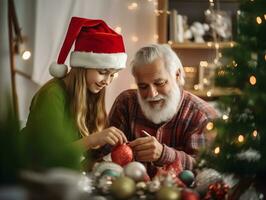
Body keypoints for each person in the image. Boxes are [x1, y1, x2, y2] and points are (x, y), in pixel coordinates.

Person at [22, 17, 128, 157]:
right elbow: (47, 156)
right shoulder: (52, 94)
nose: (107, 82)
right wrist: (92, 140)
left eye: (112, 75)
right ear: (82, 67)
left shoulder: (91, 93)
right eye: (102, 72)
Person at [108, 44, 218, 177]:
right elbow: (104, 157)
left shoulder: (202, 115)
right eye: (143, 86)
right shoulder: (126, 103)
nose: (152, 94)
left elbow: (207, 171)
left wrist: (164, 154)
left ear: (177, 75)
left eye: (159, 83)